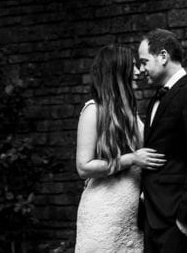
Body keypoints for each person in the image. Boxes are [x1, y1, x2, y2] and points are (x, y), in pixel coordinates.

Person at [76, 44, 167, 252]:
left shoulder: (130, 114)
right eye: (133, 66)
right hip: (103, 214)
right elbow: (83, 167)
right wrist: (132, 159)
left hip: (130, 218)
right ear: (119, 72)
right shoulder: (94, 110)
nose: (138, 72)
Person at [137, 29, 187, 253]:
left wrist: (183, 220)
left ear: (163, 56)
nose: (141, 69)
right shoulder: (157, 96)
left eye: (144, 61)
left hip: (177, 221)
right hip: (154, 217)